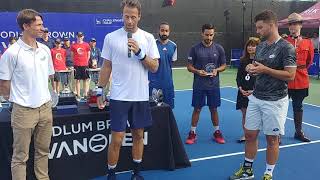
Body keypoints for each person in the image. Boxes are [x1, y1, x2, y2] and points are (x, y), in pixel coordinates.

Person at [229, 10, 296, 180]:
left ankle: (268, 174)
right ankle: (247, 171)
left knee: (272, 139)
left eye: (260, 27)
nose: (257, 31)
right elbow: (259, 69)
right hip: (256, 98)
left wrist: (264, 69)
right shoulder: (261, 46)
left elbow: (290, 75)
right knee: (250, 134)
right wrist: (252, 70)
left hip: (275, 101)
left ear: (271, 25)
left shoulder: (286, 47)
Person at [96, 0, 159, 179]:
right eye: (126, 16)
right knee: (116, 138)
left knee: (138, 135)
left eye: (133, 17)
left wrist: (141, 54)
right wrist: (100, 89)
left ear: (139, 16)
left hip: (140, 96)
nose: (129, 21)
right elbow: (106, 66)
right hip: (118, 97)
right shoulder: (111, 37)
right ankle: (111, 174)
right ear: (122, 15)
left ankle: (136, 173)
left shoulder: (147, 38)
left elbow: (154, 66)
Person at [0, 9, 54, 180]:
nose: (42, 28)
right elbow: (4, 85)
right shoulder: (11, 53)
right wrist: (19, 102)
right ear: (25, 26)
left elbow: (48, 77)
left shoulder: (45, 50)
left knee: (43, 152)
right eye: (38, 25)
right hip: (22, 111)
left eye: (42, 24)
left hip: (46, 109)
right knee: (20, 157)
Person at [185, 23, 227, 145]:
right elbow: (189, 66)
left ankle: (217, 132)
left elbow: (224, 65)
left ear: (214, 34)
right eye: (206, 34)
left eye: (211, 35)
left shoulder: (219, 48)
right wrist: (198, 71)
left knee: (213, 109)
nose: (209, 37)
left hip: (214, 85)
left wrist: (217, 70)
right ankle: (192, 133)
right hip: (199, 85)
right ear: (202, 33)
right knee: (197, 109)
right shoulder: (194, 49)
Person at [285, 13, 314, 142]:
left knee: (298, 106)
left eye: (295, 23)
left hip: (301, 79)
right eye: (290, 24)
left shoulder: (308, 42)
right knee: (280, 107)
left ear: (300, 25)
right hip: (285, 79)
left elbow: (309, 61)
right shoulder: (284, 42)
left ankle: (298, 132)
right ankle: (277, 133)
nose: (292, 26)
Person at [236, 37, 260, 143]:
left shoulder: (261, 62)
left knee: (259, 115)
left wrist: (254, 91)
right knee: (245, 114)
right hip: (243, 93)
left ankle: (275, 135)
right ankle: (246, 135)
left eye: (253, 45)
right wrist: (240, 88)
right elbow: (239, 77)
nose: (250, 47)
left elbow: (262, 79)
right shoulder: (243, 61)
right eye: (249, 45)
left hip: (256, 93)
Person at [148, 21, 177, 108]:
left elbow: (172, 62)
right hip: (154, 84)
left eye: (166, 31)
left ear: (169, 31)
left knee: (168, 109)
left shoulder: (174, 46)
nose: (164, 33)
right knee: (153, 109)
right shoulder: (152, 44)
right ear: (158, 31)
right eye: (162, 30)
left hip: (168, 84)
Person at [71, 31, 90, 99]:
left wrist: (86, 62)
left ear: (83, 37)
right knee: (77, 80)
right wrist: (75, 63)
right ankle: (78, 94)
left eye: (81, 36)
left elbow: (88, 54)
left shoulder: (86, 45)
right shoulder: (73, 45)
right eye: (78, 36)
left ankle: (85, 94)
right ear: (76, 37)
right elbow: (72, 56)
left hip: (84, 65)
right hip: (77, 65)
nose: (80, 37)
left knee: (85, 80)